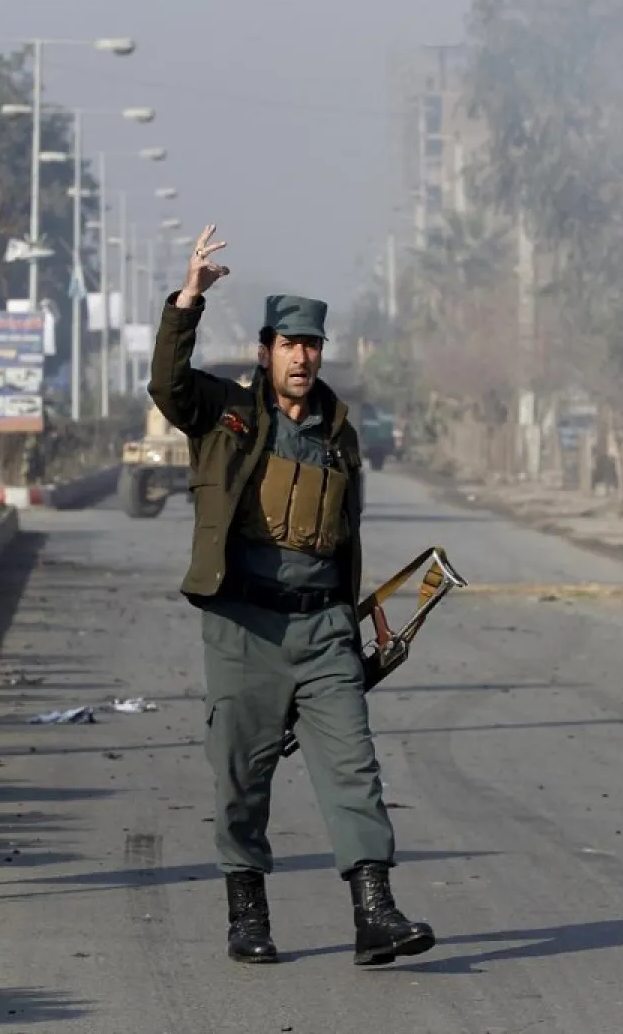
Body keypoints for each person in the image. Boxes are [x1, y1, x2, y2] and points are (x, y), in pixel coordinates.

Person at [148, 224, 436, 967]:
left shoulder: (341, 435)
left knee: (354, 770)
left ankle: (375, 911)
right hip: (244, 626)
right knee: (241, 777)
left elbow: (343, 536)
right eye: (289, 344)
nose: (302, 356)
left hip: (323, 631)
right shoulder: (227, 417)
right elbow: (168, 387)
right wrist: (188, 301)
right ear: (266, 350)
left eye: (313, 344)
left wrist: (357, 629)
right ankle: (248, 910)